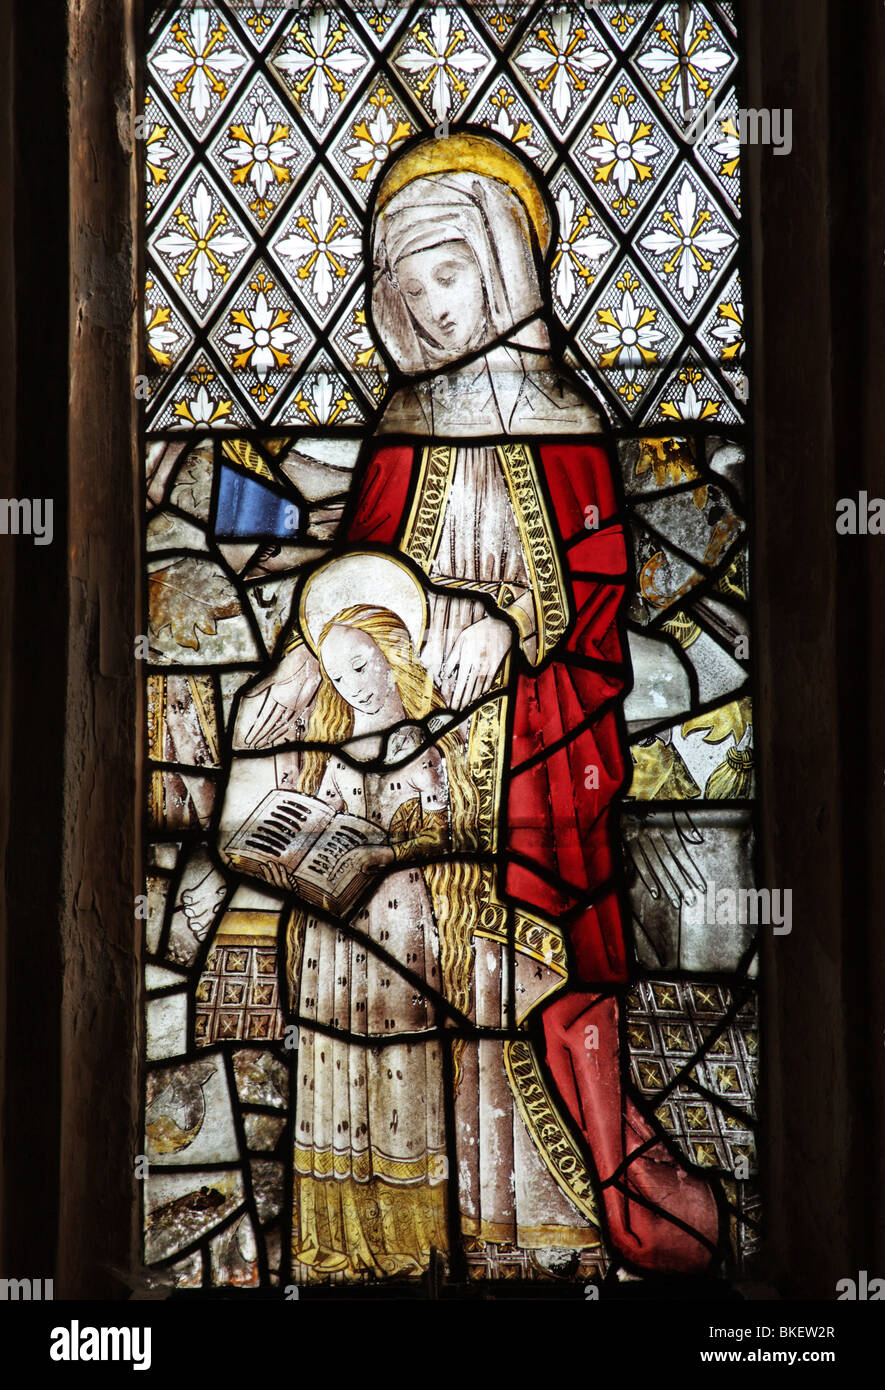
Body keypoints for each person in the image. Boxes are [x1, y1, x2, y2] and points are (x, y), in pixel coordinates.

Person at [232, 131, 719, 1277]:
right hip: (392, 783)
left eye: (447, 274)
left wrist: (499, 665)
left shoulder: (572, 433)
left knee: (501, 1003)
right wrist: (310, 694)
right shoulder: (398, 437)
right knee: (373, 969)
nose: (431, 308)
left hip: (522, 785)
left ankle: (528, 1247)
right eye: (406, 287)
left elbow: (595, 642)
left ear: (502, 261)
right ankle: (374, 1254)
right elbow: (351, 592)